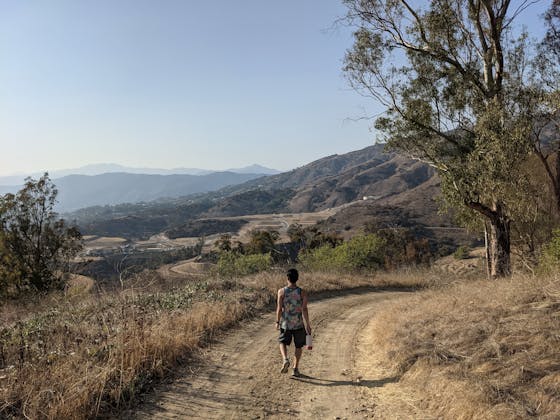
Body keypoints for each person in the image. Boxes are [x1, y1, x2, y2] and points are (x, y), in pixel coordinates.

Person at [275, 268, 311, 377]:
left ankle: (285, 359)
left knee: (282, 342)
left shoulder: (281, 291)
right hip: (298, 324)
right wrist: (308, 324)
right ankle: (295, 369)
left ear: (287, 278)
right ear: (297, 279)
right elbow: (304, 309)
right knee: (298, 346)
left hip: (286, 324)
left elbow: (279, 308)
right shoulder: (302, 292)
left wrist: (277, 321)